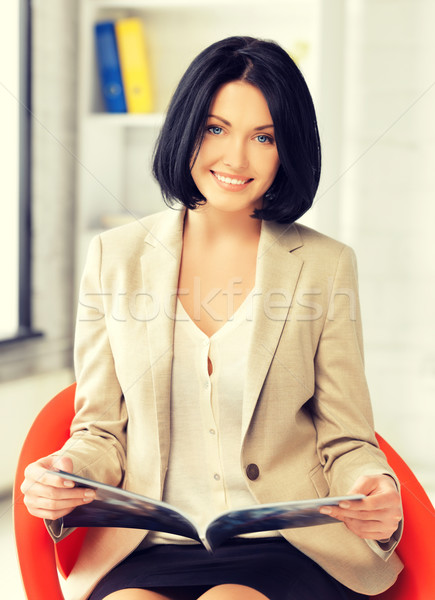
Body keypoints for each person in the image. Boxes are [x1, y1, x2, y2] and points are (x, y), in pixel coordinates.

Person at [21, 36, 403, 600]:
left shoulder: (325, 266)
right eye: (216, 128)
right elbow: (100, 430)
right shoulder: (114, 257)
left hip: (289, 548)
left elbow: (346, 439)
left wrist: (373, 487)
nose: (235, 159)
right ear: (186, 130)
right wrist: (65, 473)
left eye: (264, 137)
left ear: (287, 148)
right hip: (152, 548)